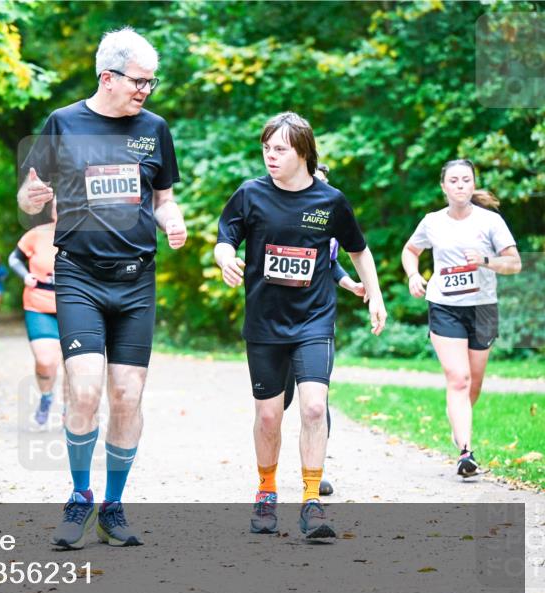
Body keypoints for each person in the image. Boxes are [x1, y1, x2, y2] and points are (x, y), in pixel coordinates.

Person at [18, 27, 186, 549]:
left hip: (136, 280)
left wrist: (173, 222)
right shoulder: (63, 123)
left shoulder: (154, 128)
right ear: (107, 77)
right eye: (139, 81)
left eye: (151, 83)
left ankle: (114, 506)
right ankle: (80, 497)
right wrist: (33, 193)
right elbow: (27, 199)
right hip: (79, 277)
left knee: (127, 395)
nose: (145, 91)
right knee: (86, 389)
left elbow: (163, 199)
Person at [214, 112, 386, 540]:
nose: (270, 157)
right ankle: (267, 492)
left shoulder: (330, 201)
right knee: (269, 417)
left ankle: (312, 501)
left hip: (314, 319)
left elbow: (358, 250)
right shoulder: (250, 194)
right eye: (266, 149)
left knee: (313, 406)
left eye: (280, 150)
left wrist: (375, 294)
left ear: (304, 153)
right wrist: (224, 259)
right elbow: (224, 237)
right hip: (265, 323)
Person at [401, 159, 521, 478]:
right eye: (453, 181)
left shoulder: (490, 221)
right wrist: (413, 275)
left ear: (472, 184)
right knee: (459, 378)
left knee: (473, 382)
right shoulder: (432, 222)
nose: (460, 186)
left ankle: (458, 418)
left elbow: (514, 264)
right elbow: (410, 250)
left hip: (482, 308)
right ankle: (465, 452)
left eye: (465, 180)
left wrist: (484, 260)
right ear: (444, 187)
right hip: (444, 305)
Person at [281, 163, 367, 497]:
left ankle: (317, 472)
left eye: (325, 182)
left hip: (315, 319)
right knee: (281, 399)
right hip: (277, 320)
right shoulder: (284, 215)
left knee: (317, 399)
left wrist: (353, 285)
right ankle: (268, 465)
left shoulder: (330, 223)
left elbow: (331, 264)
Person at [9, 201, 61, 426]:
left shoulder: (87, 234)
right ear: (53, 209)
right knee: (46, 360)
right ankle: (46, 396)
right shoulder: (37, 235)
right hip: (39, 304)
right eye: (60, 205)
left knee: (75, 365)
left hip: (76, 306)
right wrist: (24, 276)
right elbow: (14, 258)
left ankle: (72, 410)